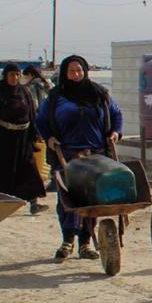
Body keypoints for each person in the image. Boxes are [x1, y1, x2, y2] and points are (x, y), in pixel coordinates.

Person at [35, 55, 123, 261]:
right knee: (68, 199)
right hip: (66, 154)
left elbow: (116, 114)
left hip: (97, 155)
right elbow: (40, 120)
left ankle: (85, 243)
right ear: (65, 73)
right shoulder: (56, 97)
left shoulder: (100, 94)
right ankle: (67, 240)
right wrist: (48, 138)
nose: (76, 75)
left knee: (92, 199)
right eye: (71, 71)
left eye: (79, 70)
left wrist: (115, 132)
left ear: (85, 71)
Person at [0, 63, 47, 214]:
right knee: (2, 171)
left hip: (23, 139)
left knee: (29, 169)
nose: (15, 78)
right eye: (11, 75)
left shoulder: (25, 92)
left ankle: (34, 203)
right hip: (3, 139)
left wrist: (36, 133)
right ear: (5, 76)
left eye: (17, 75)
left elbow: (32, 114)